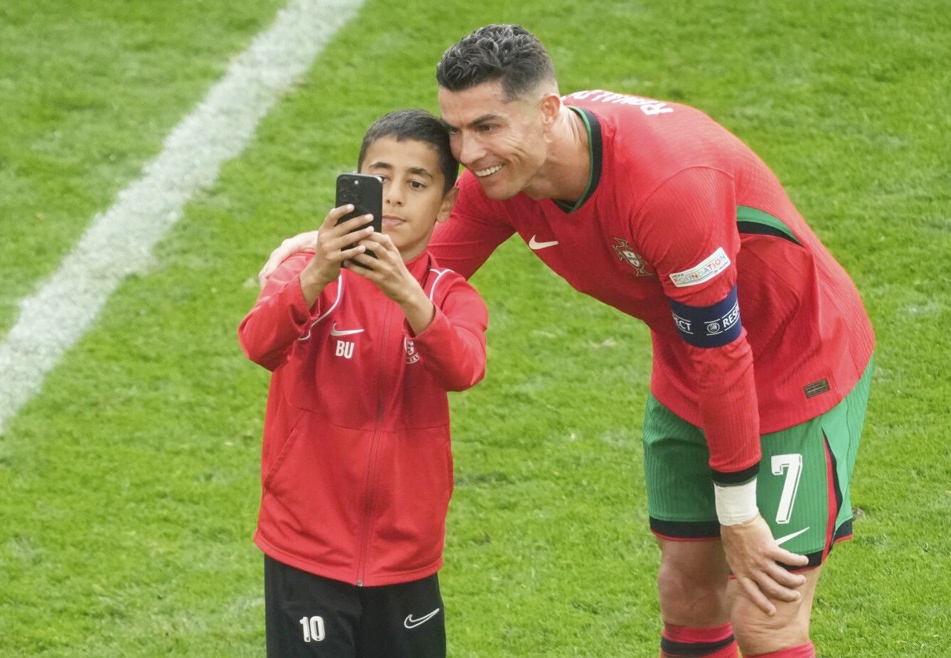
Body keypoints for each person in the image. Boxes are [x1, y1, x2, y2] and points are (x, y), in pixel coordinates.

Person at [259, 25, 874, 658]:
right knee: (689, 591)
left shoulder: (668, 188)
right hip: (691, 367)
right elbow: (411, 267)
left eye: (488, 127)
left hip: (799, 362)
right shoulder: (507, 181)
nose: (467, 155)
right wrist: (313, 260)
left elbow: (724, 351)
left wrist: (740, 512)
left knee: (765, 612)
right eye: (456, 130)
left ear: (550, 111)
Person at [239, 108, 488, 657]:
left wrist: (408, 296)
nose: (394, 196)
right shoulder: (307, 272)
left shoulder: (450, 296)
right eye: (379, 178)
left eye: (416, 183)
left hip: (406, 555)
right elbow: (258, 344)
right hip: (306, 548)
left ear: (447, 204)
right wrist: (315, 274)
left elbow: (464, 368)